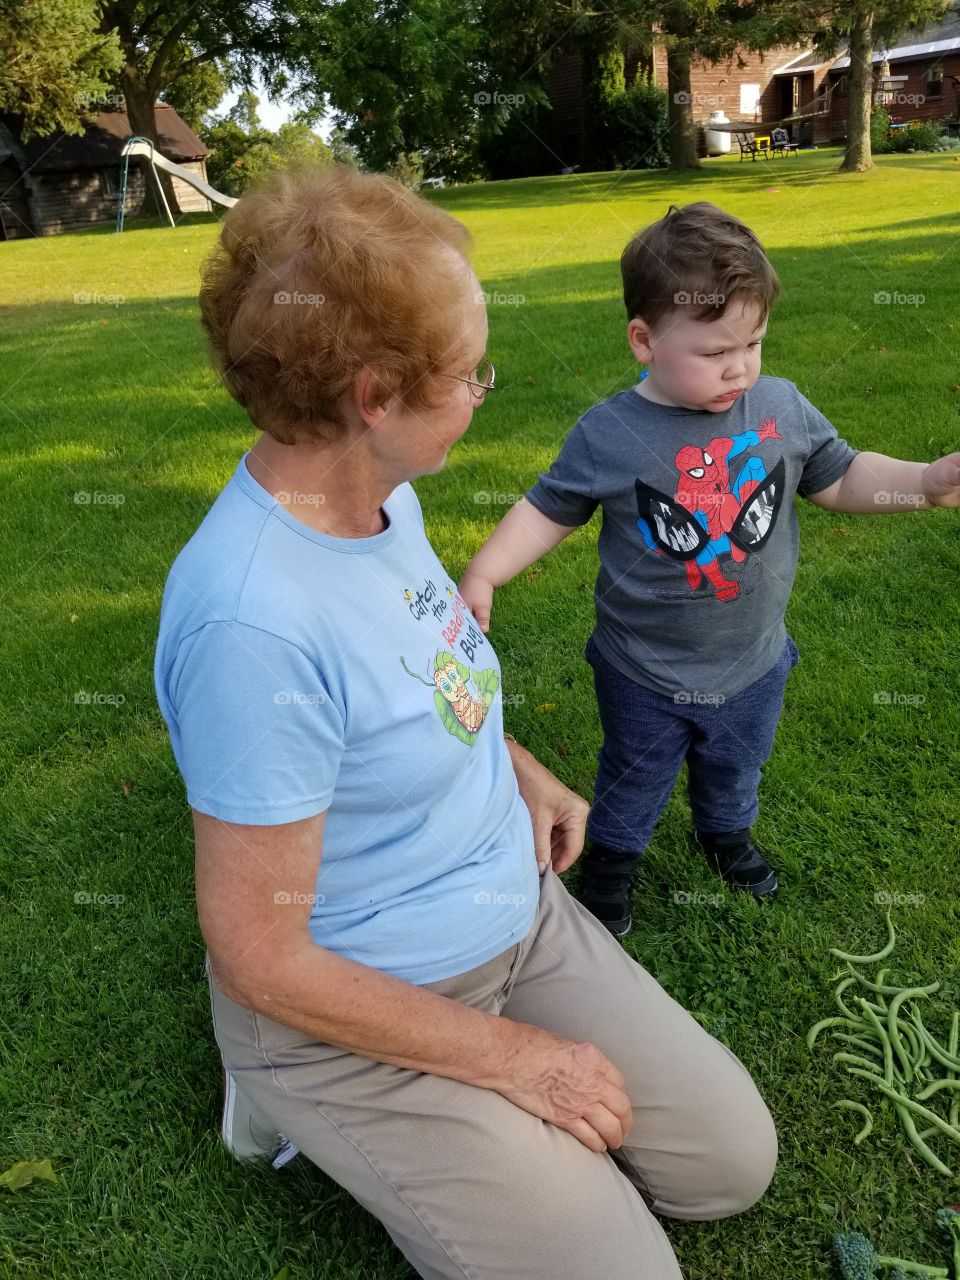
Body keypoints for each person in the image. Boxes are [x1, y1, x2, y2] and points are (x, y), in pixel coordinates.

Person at [153, 168, 778, 1280]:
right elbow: (260, 949)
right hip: (351, 1008)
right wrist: (517, 1061)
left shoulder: (380, 494)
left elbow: (421, 666)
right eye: (468, 369)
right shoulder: (250, 623)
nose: (487, 386)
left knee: (732, 1164)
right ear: (377, 393)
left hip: (513, 915)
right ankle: (281, 1093)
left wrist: (513, 760)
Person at [459, 200, 960, 937]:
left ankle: (724, 833)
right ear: (644, 339)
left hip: (753, 661)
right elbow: (547, 509)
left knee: (737, 764)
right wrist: (485, 573)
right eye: (715, 351)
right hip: (643, 668)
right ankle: (613, 864)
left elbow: (839, 477)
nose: (740, 367)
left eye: (753, 342)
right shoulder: (611, 433)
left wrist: (921, 482)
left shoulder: (781, 406)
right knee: (636, 772)